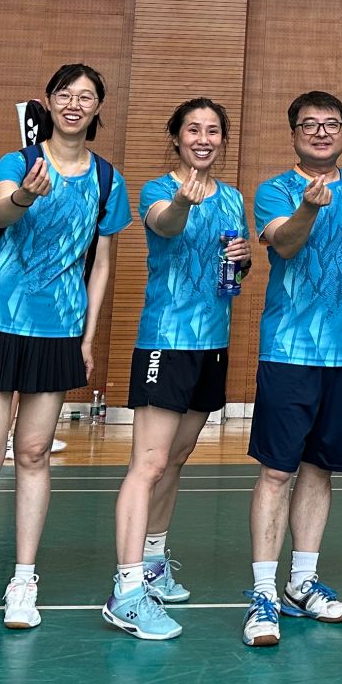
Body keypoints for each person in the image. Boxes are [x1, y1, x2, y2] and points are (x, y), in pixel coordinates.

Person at [0, 65, 131, 637]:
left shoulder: (107, 179)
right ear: (50, 101)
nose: (74, 103)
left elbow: (100, 265)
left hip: (58, 328)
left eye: (85, 97)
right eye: (65, 94)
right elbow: (1, 214)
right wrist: (23, 194)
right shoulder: (18, 162)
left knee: (35, 454)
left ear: (97, 108)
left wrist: (87, 338)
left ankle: (23, 581)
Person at [242, 91, 342, 647]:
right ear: (294, 134)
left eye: (331, 124)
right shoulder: (275, 190)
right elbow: (283, 244)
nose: (322, 132)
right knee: (277, 472)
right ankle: (263, 593)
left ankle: (302, 583)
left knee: (320, 470)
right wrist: (308, 207)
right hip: (289, 353)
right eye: (310, 125)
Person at [103, 96, 251, 641]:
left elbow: (233, 263)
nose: (203, 139)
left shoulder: (233, 197)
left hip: (213, 343)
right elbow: (164, 227)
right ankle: (126, 590)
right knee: (148, 462)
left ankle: (153, 562)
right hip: (166, 341)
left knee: (176, 459)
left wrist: (242, 259)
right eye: (193, 130)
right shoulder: (158, 190)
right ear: (177, 137)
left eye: (213, 131)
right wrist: (184, 204)